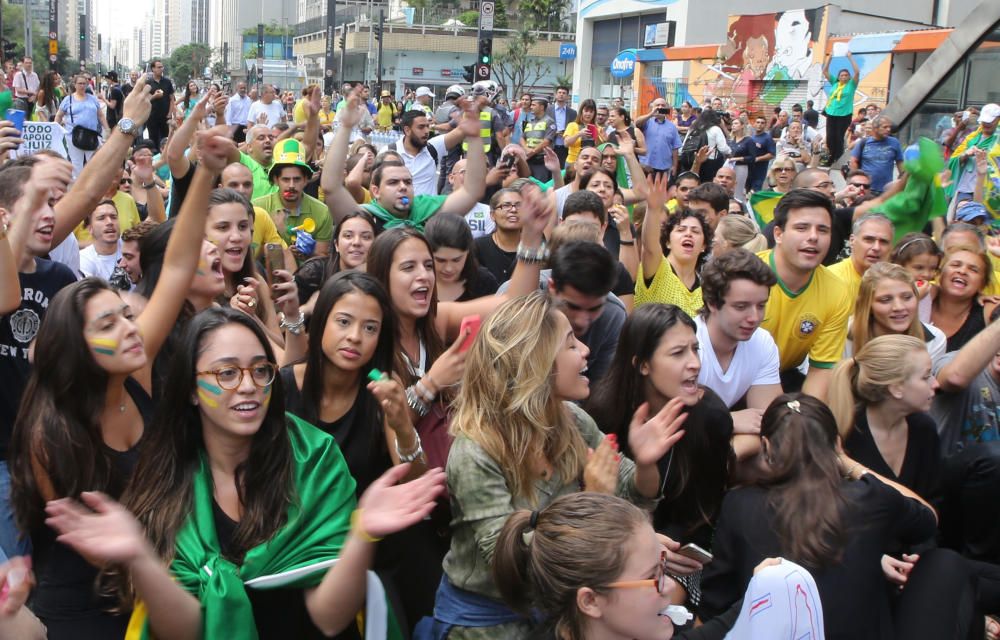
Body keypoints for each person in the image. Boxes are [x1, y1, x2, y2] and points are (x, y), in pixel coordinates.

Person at [44, 305, 445, 639]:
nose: (249, 386)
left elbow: (329, 617)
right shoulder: (167, 477)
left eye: (260, 370)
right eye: (227, 373)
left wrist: (362, 533)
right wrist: (139, 558)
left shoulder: (314, 459)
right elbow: (186, 629)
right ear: (190, 389)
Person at [9, 133, 230, 637]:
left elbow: (176, 265)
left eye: (125, 317)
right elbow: (97, 549)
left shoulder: (131, 364)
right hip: (86, 607)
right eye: (107, 326)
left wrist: (206, 174)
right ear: (75, 346)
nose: (131, 330)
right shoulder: (52, 433)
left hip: (152, 584)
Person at [424, 292, 684, 638]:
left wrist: (646, 466)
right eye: (571, 344)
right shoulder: (476, 451)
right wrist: (592, 506)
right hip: (488, 623)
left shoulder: (572, 420)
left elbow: (633, 496)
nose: (586, 351)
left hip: (557, 609)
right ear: (537, 364)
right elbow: (509, 563)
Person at [700, 394, 944, 640]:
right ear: (836, 444)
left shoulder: (738, 504)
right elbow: (927, 518)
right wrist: (848, 464)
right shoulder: (869, 497)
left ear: (767, 446)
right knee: (946, 564)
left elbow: (715, 604)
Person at [587, 303, 735, 560]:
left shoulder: (712, 416)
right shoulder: (603, 413)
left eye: (695, 349)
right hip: (610, 545)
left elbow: (702, 516)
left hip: (679, 554)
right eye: (678, 353)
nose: (695, 364)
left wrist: (670, 556)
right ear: (643, 364)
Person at [758, 189, 850, 398]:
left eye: (823, 230)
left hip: (784, 376)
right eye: (802, 228)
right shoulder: (744, 275)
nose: (813, 237)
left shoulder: (836, 290)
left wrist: (808, 419)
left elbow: (821, 370)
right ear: (778, 234)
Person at [829, 334, 941, 502]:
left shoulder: (923, 428)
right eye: (926, 377)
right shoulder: (846, 434)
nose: (936, 384)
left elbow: (933, 502)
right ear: (896, 388)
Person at [696, 249, 781, 437]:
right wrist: (728, 420)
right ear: (712, 302)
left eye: (761, 306)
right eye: (741, 307)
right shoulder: (688, 346)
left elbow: (767, 424)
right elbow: (674, 426)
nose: (754, 317)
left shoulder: (762, 342)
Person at [637, 174, 712, 316]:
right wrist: (653, 209)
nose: (688, 234)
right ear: (667, 242)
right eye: (681, 230)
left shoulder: (706, 288)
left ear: (703, 246)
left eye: (695, 231)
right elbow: (649, 247)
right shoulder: (658, 267)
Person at [847, 262, 946, 362]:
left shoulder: (934, 339)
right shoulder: (843, 335)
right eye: (885, 299)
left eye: (907, 297)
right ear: (868, 305)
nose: (899, 307)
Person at [254, 138, 333, 262]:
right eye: (285, 179)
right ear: (275, 180)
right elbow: (251, 257)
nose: (291, 185)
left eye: (296, 179)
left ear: (306, 180)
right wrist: (278, 244)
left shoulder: (322, 211)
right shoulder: (258, 208)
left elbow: (323, 258)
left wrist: (310, 253)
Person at [294, 211, 377, 309]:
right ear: (336, 244)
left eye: (366, 237)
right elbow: (278, 318)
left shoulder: (382, 278)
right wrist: (307, 309)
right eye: (348, 236)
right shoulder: (312, 273)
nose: (356, 242)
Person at [930, 244, 996, 352]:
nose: (962, 271)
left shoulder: (989, 310)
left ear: (982, 285)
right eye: (955, 265)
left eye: (973, 270)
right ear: (939, 274)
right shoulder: (918, 298)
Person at [425, 213, 499, 302]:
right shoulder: (417, 282)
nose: (449, 268)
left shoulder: (484, 282)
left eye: (456, 260)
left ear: (468, 252)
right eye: (441, 260)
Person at [826, 213, 894, 301]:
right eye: (869, 240)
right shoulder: (831, 280)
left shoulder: (895, 282)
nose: (876, 247)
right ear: (852, 241)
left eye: (884, 242)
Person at [55, 74, 110, 177]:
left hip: (91, 135)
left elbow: (101, 115)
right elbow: (59, 116)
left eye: (84, 83)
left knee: (94, 161)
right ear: (74, 85)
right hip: (73, 135)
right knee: (77, 164)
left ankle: (92, 184)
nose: (82, 86)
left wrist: (107, 129)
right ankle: (78, 186)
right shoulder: (68, 99)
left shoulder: (93, 99)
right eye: (80, 83)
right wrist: (56, 129)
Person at [474, 188, 523, 284]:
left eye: (519, 205)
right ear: (492, 215)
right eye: (506, 205)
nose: (513, 209)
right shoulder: (478, 247)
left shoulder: (535, 246)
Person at [890, 232, 941, 322]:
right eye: (919, 268)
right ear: (899, 265)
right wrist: (915, 297)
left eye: (933, 268)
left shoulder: (931, 290)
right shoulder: (888, 289)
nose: (926, 274)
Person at [849, 116, 904, 195]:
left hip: (886, 190)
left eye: (889, 127)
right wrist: (856, 184)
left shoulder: (894, 142)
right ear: (875, 128)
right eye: (885, 127)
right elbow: (853, 161)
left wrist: (902, 182)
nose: (888, 129)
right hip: (866, 189)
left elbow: (900, 162)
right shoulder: (863, 142)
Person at [636, 97, 682, 179]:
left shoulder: (672, 127)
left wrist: (674, 166)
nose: (660, 107)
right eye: (657, 105)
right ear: (653, 107)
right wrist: (651, 114)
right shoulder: (647, 122)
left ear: (667, 109)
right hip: (645, 166)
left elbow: (675, 148)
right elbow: (637, 123)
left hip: (663, 168)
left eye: (663, 105)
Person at [78, 200, 122, 280]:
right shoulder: (83, 259)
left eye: (113, 217)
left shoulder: (131, 246)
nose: (110, 222)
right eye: (101, 218)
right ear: (90, 228)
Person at [522, 96, 558, 181]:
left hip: (541, 161)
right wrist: (526, 149)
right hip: (528, 159)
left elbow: (546, 141)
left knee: (540, 185)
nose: (531, 107)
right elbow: (522, 138)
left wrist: (532, 152)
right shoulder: (530, 121)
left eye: (534, 105)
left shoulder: (550, 122)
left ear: (542, 107)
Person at [143, 59, 174, 152]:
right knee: (153, 139)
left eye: (162, 67)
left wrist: (170, 113)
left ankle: (165, 159)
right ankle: (154, 159)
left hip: (165, 116)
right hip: (151, 116)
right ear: (153, 69)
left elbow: (172, 99)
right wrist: (155, 96)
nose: (161, 69)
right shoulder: (148, 82)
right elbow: (145, 99)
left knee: (166, 139)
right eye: (159, 67)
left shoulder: (167, 82)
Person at [562, 98, 598, 166]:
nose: (588, 114)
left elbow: (598, 146)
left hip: (590, 163)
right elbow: (566, 144)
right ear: (581, 111)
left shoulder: (597, 128)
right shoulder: (572, 125)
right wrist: (579, 134)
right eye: (586, 111)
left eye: (591, 112)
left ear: (594, 113)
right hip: (573, 162)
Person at [547, 85, 577, 166]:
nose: (561, 95)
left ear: (567, 96)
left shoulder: (572, 113)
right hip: (550, 145)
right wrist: (554, 133)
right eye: (559, 92)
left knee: (563, 171)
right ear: (555, 95)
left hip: (565, 147)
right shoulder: (547, 110)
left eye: (564, 93)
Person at [745, 115, 776, 192]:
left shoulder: (767, 138)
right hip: (749, 170)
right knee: (746, 191)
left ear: (765, 125)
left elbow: (771, 154)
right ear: (754, 124)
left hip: (759, 171)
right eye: (758, 122)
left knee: (755, 192)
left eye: (762, 123)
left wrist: (758, 159)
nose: (759, 124)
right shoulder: (751, 137)